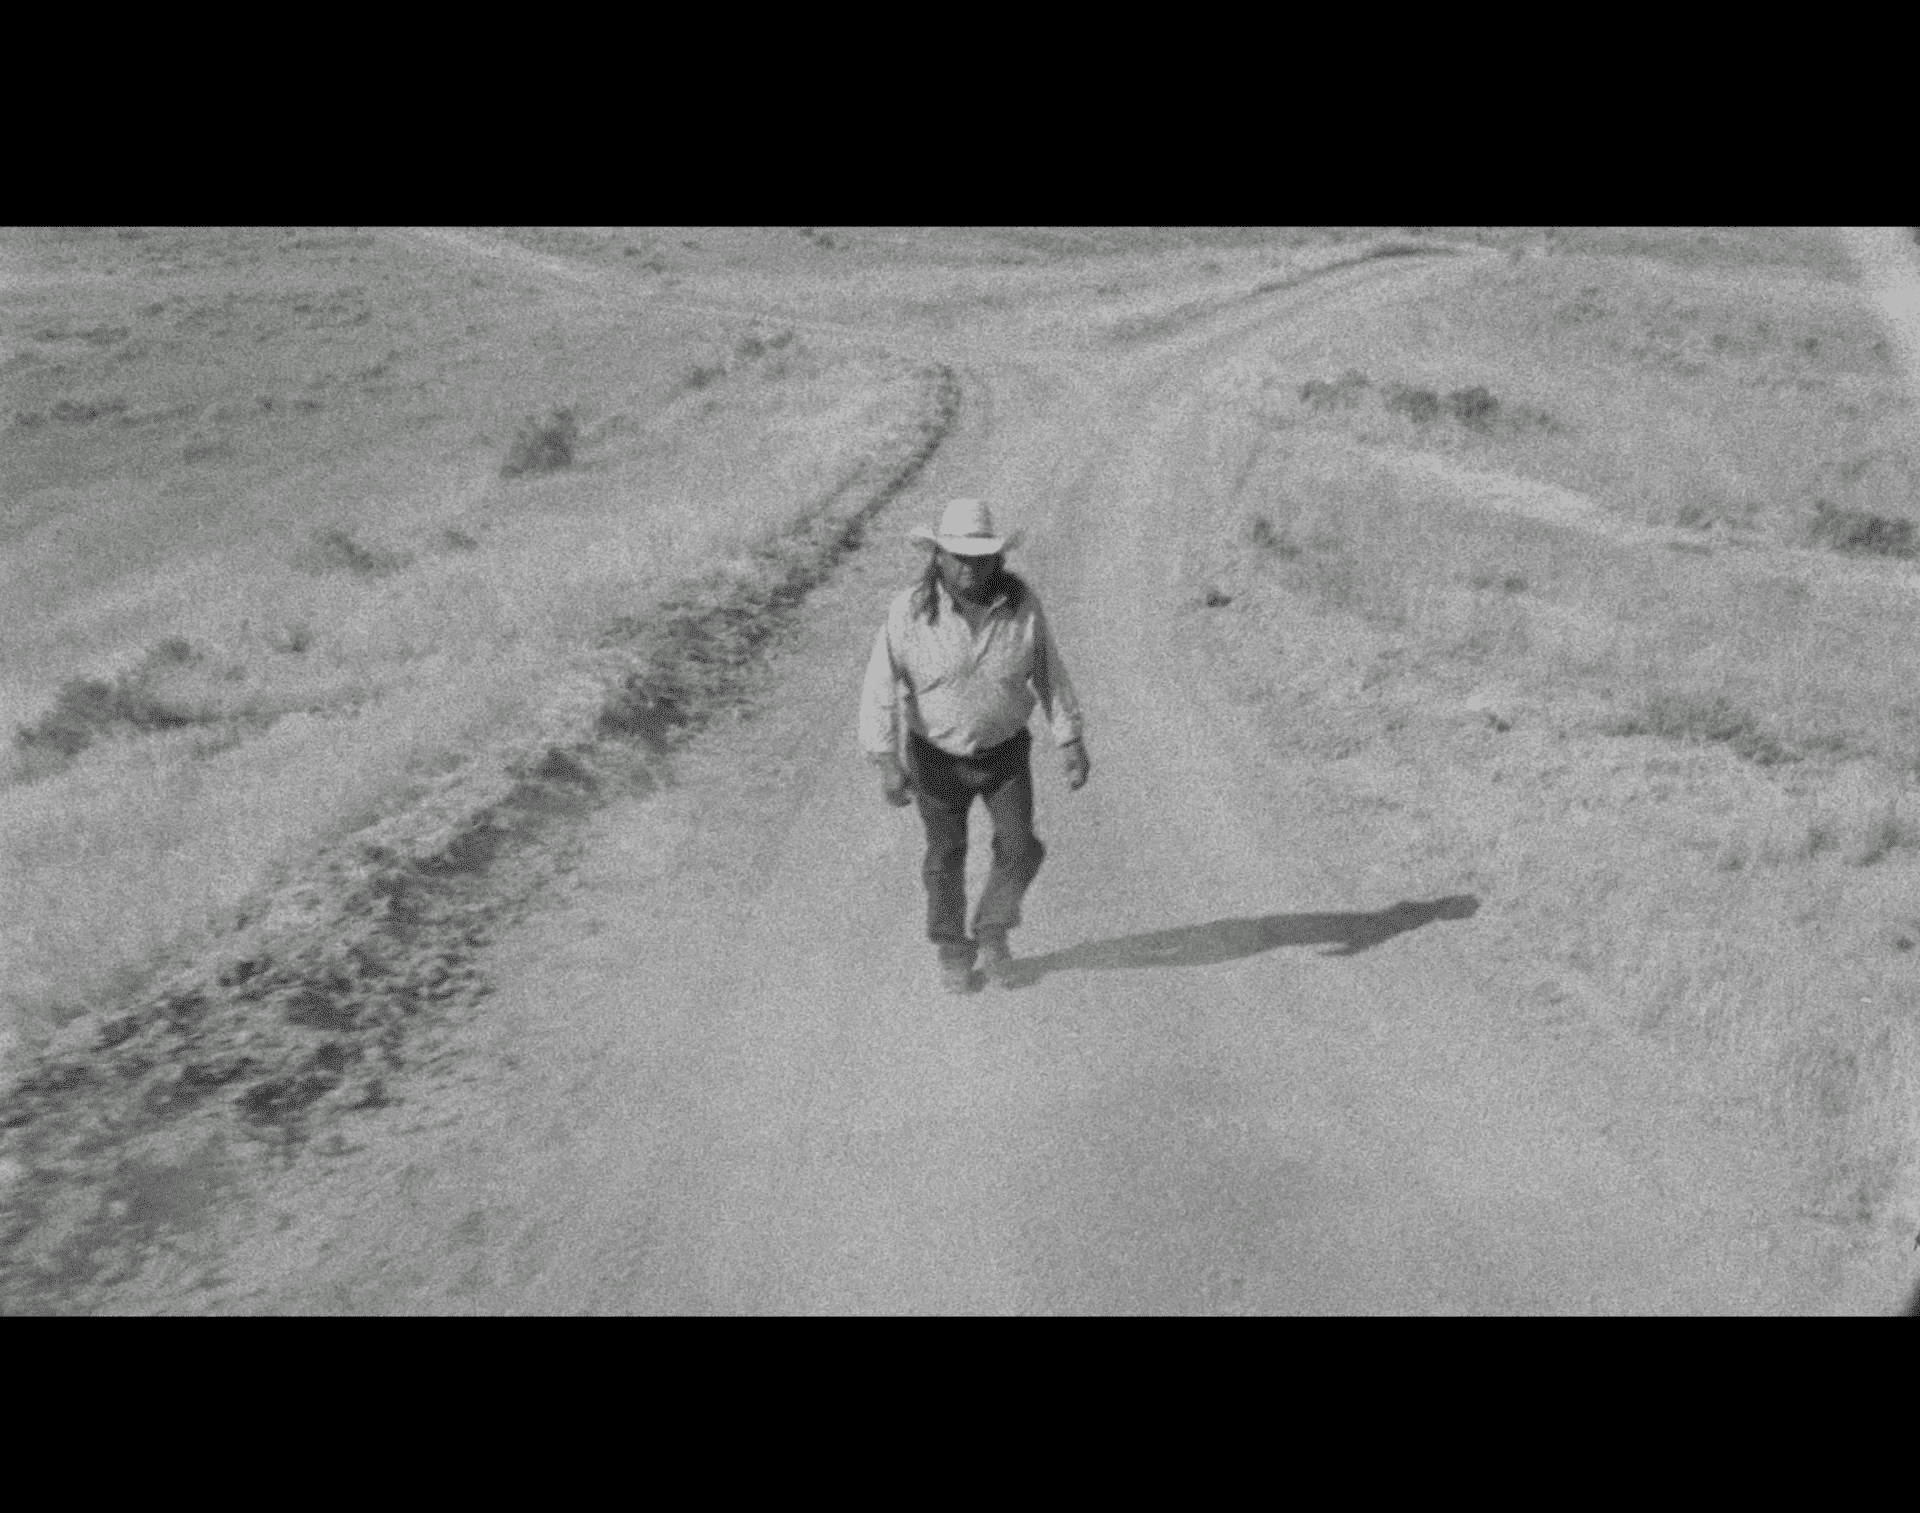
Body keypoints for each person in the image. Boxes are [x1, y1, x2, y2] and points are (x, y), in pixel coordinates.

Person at [858, 497, 1090, 993]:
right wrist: (885, 760)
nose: (969, 567)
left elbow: (1049, 671)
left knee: (1021, 847)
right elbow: (880, 686)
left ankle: (992, 929)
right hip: (935, 757)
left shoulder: (1021, 607)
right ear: (937, 557)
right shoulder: (908, 612)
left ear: (997, 559)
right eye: (958, 556)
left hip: (1004, 753)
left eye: (981, 557)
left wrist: (1069, 739)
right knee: (945, 854)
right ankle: (951, 948)